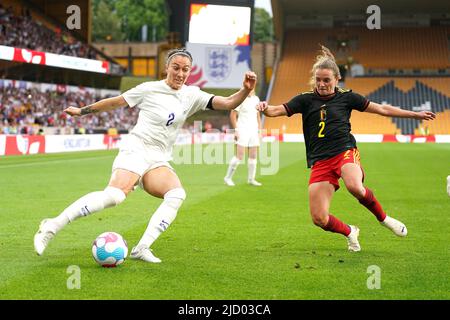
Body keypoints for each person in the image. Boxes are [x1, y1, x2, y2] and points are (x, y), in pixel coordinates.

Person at [34, 48, 257, 262]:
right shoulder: (149, 89)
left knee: (177, 195)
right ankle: (51, 226)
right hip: (137, 148)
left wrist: (246, 90)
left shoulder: (192, 95)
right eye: (176, 68)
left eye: (185, 69)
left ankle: (142, 248)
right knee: (115, 196)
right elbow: (115, 102)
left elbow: (228, 103)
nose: (180, 73)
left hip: (158, 158)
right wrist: (82, 111)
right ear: (167, 67)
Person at [257, 45, 436, 252]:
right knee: (319, 218)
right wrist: (265, 108)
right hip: (320, 161)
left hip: (345, 151)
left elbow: (382, 109)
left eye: (326, 80)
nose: (322, 84)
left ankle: (384, 219)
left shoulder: (348, 97)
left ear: (337, 79)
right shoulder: (305, 100)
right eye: (318, 80)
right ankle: (350, 231)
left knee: (354, 186)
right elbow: (276, 110)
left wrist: (415, 115)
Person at [224, 88, 262, 186]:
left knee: (253, 156)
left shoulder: (256, 99)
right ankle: (227, 178)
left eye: (253, 87)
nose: (251, 89)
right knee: (239, 156)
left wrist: (260, 130)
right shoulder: (240, 99)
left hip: (254, 131)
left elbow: (258, 116)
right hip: (242, 130)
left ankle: (251, 179)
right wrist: (236, 130)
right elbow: (233, 115)